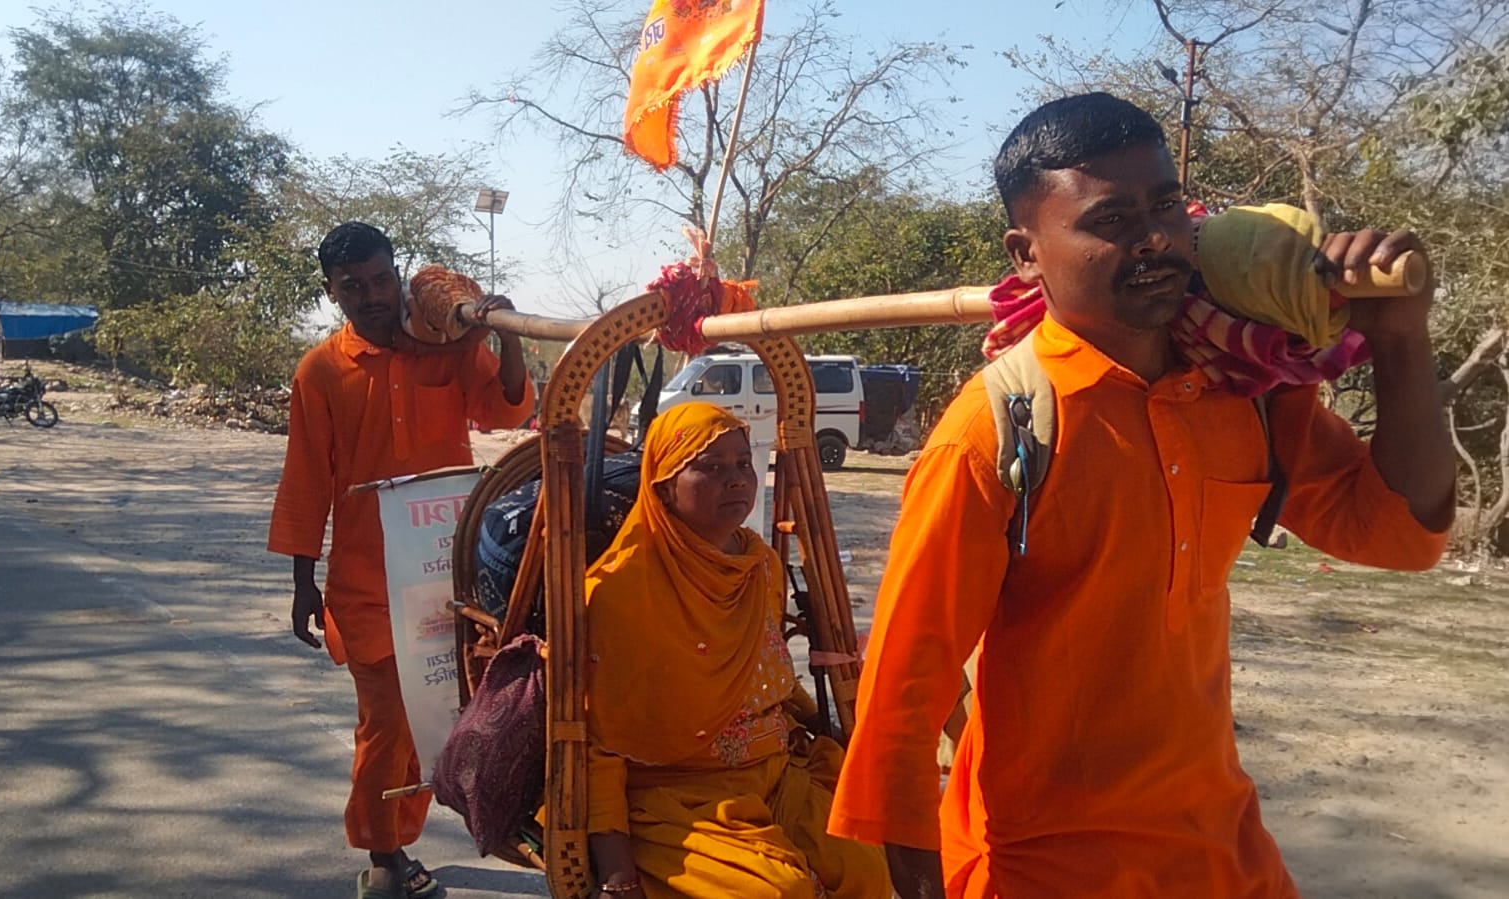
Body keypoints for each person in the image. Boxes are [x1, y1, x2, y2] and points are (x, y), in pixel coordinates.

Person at [826, 92, 1455, 899]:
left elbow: (1401, 536)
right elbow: (904, 683)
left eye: (1165, 205)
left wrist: (1400, 338)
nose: (1156, 237)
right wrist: (913, 872)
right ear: (1026, 252)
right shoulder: (999, 431)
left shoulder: (1243, 392)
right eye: (1111, 220)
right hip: (1043, 860)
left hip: (1220, 849)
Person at [268, 222, 534, 899]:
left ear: (397, 275)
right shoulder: (321, 370)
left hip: (451, 572)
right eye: (351, 286)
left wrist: (505, 336)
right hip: (366, 582)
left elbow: (504, 411)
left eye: (380, 279)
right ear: (332, 293)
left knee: (455, 708)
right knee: (385, 721)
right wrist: (304, 580)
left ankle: (483, 826)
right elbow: (306, 477)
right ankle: (382, 853)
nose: (371, 295)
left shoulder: (443, 351)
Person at [585, 401, 891, 899]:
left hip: (776, 774)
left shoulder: (761, 564)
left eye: (743, 464)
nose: (737, 480)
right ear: (664, 485)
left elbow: (769, 677)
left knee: (864, 869)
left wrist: (827, 729)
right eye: (710, 467)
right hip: (680, 796)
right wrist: (617, 872)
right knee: (780, 892)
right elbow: (599, 743)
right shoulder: (621, 590)